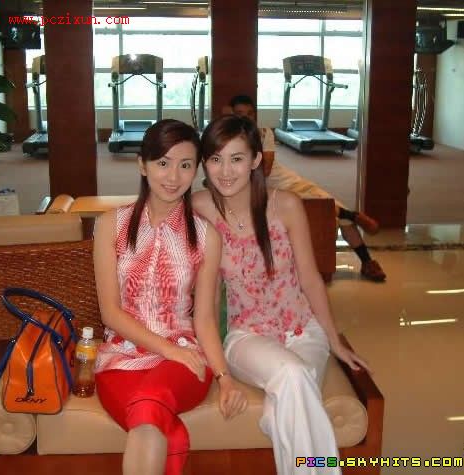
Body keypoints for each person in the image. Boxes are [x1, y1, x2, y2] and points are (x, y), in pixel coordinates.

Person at [193, 115, 370, 475]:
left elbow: (311, 279)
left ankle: (278, 426)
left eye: (237, 158)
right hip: (246, 336)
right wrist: (216, 367)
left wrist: (334, 341)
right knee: (293, 373)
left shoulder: (285, 205)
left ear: (256, 160)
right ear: (204, 163)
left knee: (284, 405)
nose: (225, 171)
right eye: (215, 159)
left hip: (304, 331)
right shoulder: (200, 207)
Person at [93, 119, 247, 475]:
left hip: (183, 362)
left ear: (196, 170)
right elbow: (110, 313)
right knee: (154, 421)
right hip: (120, 358)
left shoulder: (206, 236)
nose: (173, 176)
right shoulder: (110, 225)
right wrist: (167, 349)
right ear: (142, 165)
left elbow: (204, 318)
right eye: (163, 163)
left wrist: (224, 377)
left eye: (185, 165)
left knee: (149, 405)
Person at [225, 94, 387, 282]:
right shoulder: (228, 138)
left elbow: (266, 169)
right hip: (267, 192)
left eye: (250, 114)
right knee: (325, 209)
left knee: (326, 205)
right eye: (240, 114)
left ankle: (366, 260)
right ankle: (351, 215)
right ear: (232, 115)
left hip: (286, 182)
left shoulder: (263, 133)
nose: (245, 118)